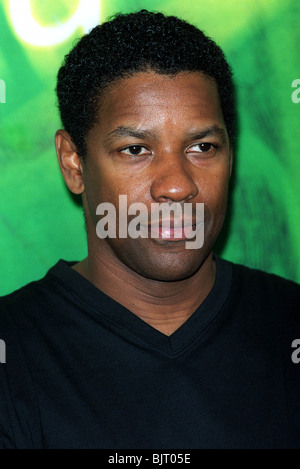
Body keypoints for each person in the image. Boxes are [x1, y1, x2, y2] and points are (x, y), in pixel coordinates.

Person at [0, 10, 299, 450]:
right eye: (136, 149)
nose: (177, 185)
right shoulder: (13, 357)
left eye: (202, 147)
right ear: (73, 163)